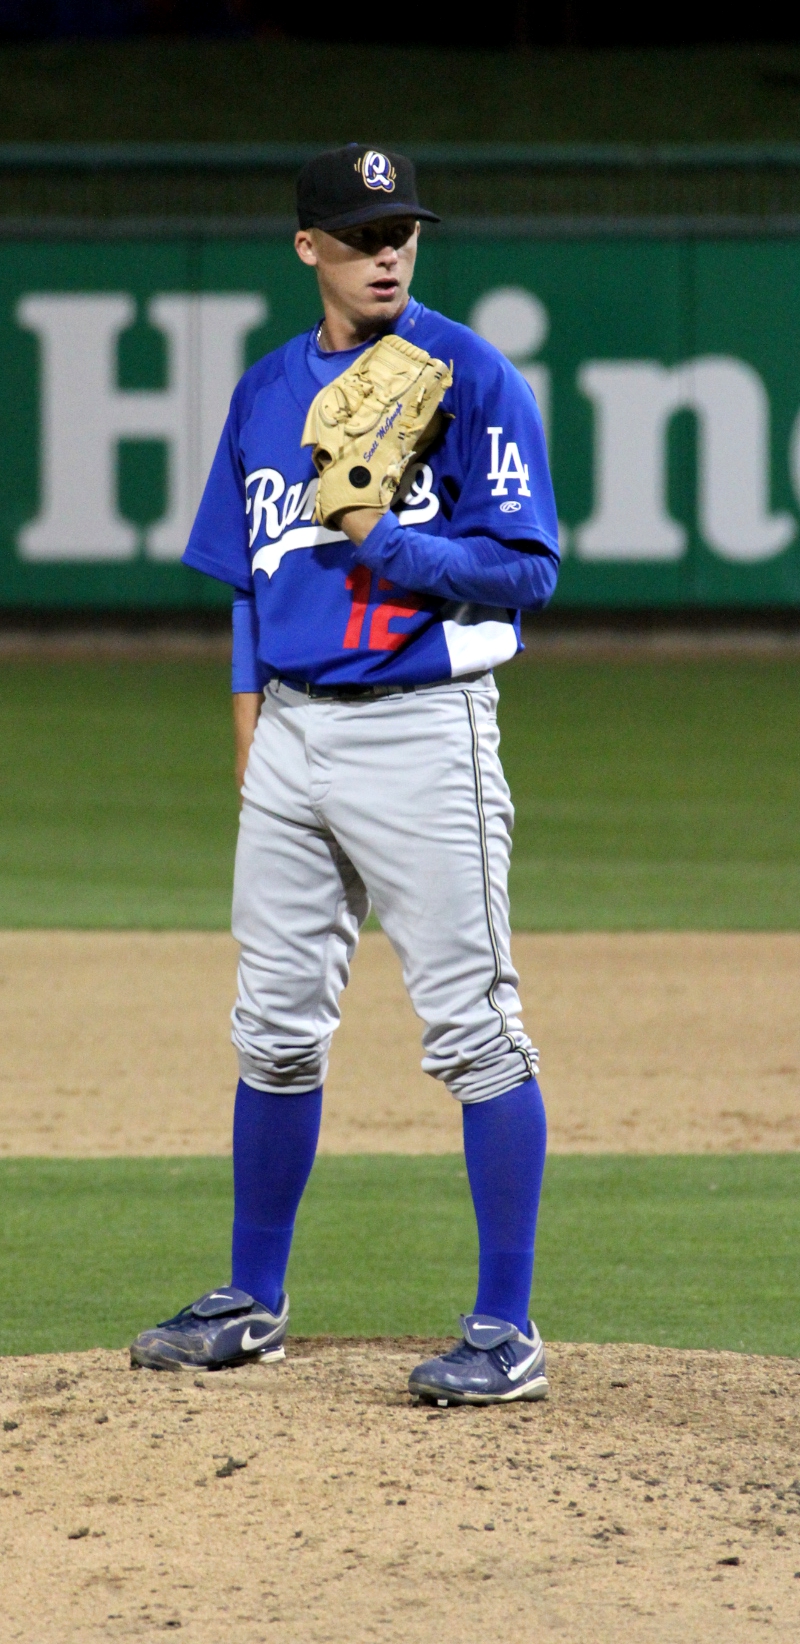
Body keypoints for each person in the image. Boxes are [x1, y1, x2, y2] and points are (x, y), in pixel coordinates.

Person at [130, 143, 560, 1405]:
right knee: (270, 1033)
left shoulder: (467, 375)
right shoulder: (268, 390)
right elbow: (252, 575)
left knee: (476, 1031)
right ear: (307, 246)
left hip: (424, 730)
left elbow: (527, 571)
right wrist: (245, 709)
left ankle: (506, 1326)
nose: (386, 251)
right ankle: (252, 1300)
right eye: (361, 231)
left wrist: (395, 542)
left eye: (403, 231)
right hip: (294, 740)